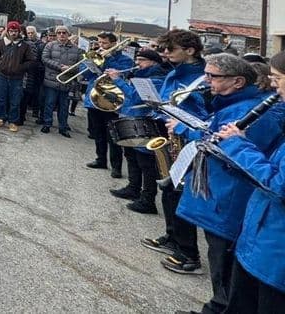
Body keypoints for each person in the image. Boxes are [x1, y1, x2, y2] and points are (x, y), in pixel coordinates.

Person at [170, 53, 282, 312]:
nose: (206, 80)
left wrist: (188, 130)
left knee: (224, 261)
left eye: (213, 76)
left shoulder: (255, 111)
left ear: (238, 82)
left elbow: (260, 167)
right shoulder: (232, 103)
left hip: (232, 197)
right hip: (225, 196)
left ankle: (217, 307)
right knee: (221, 257)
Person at [213, 51, 285, 313]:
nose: (272, 84)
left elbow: (280, 185)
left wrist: (238, 144)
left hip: (275, 252)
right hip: (260, 240)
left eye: (277, 78)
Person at [140, 29, 208, 275]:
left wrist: (181, 125)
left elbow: (205, 116)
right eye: (164, 49)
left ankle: (189, 253)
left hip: (189, 141)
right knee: (169, 189)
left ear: (190, 51)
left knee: (181, 194)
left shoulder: (201, 78)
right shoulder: (176, 72)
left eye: (171, 50)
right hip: (172, 134)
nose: (165, 54)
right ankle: (172, 237)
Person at [106, 48, 168, 214]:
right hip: (131, 119)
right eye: (137, 60)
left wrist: (118, 80)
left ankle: (148, 199)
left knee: (146, 163)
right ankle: (133, 188)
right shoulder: (141, 75)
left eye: (142, 60)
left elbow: (135, 97)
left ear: (153, 62)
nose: (137, 63)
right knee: (131, 157)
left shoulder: (156, 78)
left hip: (144, 124)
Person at [83, 32, 134, 177]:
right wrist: (92, 63)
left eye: (104, 43)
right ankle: (100, 159)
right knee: (98, 133)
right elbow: (86, 74)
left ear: (113, 43)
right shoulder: (94, 55)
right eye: (99, 43)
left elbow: (123, 75)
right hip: (94, 99)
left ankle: (116, 166)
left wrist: (109, 59)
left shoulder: (125, 60)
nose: (101, 46)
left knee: (113, 135)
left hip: (112, 101)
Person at [0, 22, 35, 132]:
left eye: (15, 31)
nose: (13, 33)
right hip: (2, 75)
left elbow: (30, 61)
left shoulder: (25, 45)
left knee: (15, 100)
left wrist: (20, 67)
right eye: (11, 31)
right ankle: (0, 118)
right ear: (8, 31)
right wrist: (0, 64)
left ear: (19, 32)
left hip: (17, 77)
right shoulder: (0, 43)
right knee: (0, 98)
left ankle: (13, 121)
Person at [40, 26, 83, 137]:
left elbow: (81, 65)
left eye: (64, 32)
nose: (61, 34)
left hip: (66, 82)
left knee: (64, 106)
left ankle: (63, 127)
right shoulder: (50, 45)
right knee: (49, 103)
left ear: (68, 34)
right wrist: (59, 67)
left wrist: (70, 68)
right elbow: (44, 59)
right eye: (59, 33)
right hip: (52, 79)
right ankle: (47, 124)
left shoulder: (77, 49)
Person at [20, 25, 45, 125]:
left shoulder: (38, 44)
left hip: (34, 72)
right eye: (28, 33)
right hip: (24, 72)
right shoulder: (21, 43)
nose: (30, 35)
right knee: (23, 93)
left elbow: (38, 59)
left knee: (34, 93)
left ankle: (33, 111)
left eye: (32, 33)